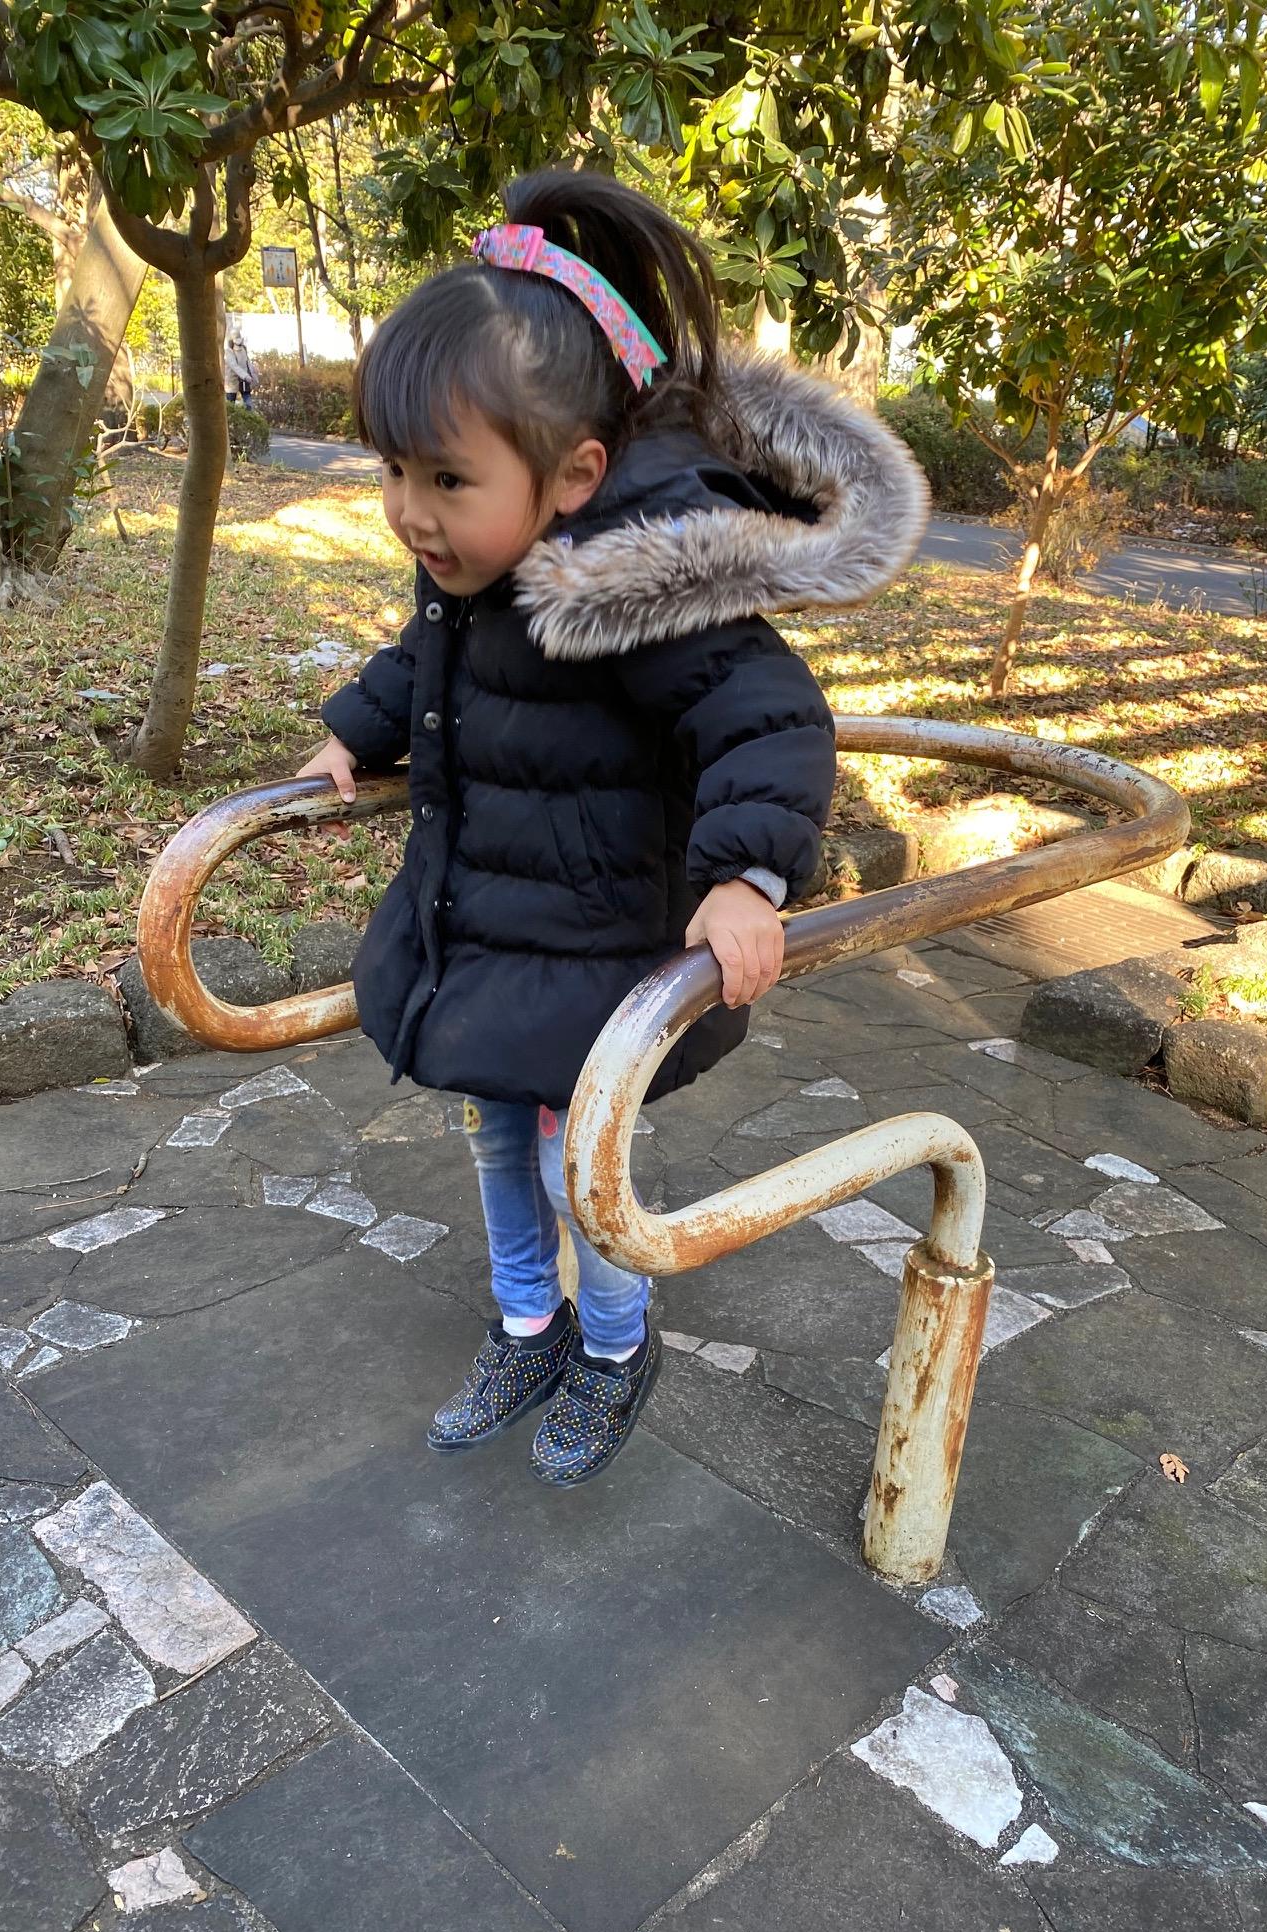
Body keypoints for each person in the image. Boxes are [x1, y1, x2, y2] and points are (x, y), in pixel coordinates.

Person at [298, 168, 926, 1487]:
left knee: (577, 1162)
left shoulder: (644, 593)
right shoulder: (470, 566)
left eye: (445, 478)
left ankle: (614, 1346)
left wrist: (746, 877)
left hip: (596, 950)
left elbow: (770, 724)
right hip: (484, 932)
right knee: (495, 1137)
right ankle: (527, 1324)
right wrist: (356, 729)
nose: (411, 511)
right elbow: (424, 660)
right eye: (394, 472)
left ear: (577, 473)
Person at [224, 328, 258, 408]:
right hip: (232, 381)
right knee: (230, 404)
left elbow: (247, 363)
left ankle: (250, 414)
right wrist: (245, 376)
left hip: (244, 381)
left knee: (249, 404)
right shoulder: (229, 351)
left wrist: (253, 373)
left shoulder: (243, 348)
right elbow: (234, 366)